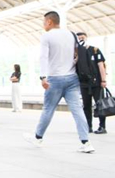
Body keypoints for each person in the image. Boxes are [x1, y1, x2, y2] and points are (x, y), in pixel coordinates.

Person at [23, 11, 94, 153]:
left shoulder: (47, 36)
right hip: (72, 78)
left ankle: (38, 138)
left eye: (44, 22)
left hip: (54, 79)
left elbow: (43, 57)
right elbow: (76, 55)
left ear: (49, 22)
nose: (43, 25)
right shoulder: (71, 34)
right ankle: (86, 142)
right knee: (77, 110)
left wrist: (43, 77)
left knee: (48, 109)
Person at [76, 32, 108, 134]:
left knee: (100, 104)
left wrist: (103, 80)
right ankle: (88, 126)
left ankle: (102, 126)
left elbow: (101, 66)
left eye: (83, 37)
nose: (81, 39)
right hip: (84, 84)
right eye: (79, 38)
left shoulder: (95, 50)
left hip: (96, 82)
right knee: (86, 106)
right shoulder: (76, 52)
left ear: (86, 38)